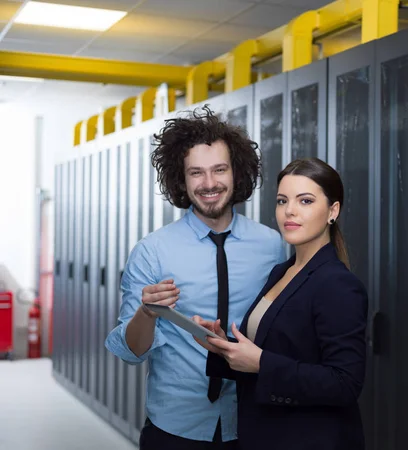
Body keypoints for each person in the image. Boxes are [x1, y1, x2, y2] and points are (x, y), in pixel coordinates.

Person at [105, 106, 286, 450]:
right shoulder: (152, 250)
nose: (209, 184)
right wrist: (147, 313)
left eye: (219, 169)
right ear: (181, 180)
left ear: (237, 172)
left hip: (253, 421)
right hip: (176, 427)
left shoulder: (271, 245)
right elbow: (131, 352)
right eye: (196, 173)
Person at [193, 157, 369, 450]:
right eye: (282, 200)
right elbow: (273, 353)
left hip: (309, 439)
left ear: (332, 211)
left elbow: (345, 383)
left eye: (306, 201)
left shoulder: (338, 284)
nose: (290, 211)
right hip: (264, 433)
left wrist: (261, 362)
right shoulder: (281, 272)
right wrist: (225, 348)